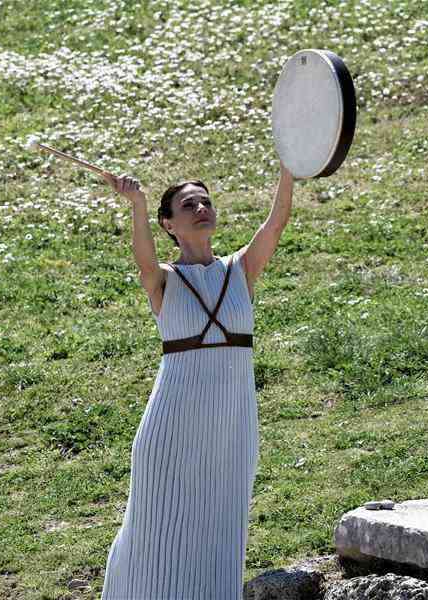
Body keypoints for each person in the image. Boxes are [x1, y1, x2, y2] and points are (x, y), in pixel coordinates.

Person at [99, 166, 294, 599]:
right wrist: (138, 205)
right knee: (156, 533)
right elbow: (143, 258)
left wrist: (289, 165)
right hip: (172, 427)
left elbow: (276, 221)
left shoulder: (239, 270)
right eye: (189, 205)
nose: (202, 208)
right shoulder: (163, 279)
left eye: (205, 202)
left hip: (230, 427)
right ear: (168, 224)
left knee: (220, 529)